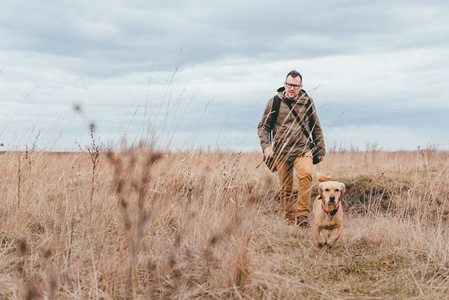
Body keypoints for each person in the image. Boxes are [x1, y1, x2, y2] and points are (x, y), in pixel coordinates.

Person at [257, 70, 325, 227]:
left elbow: (316, 126)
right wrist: (266, 147)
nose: (292, 88)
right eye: (289, 85)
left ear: (301, 86)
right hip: (281, 152)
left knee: (306, 176)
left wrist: (320, 148)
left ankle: (302, 218)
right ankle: (288, 219)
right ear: (284, 84)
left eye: (295, 86)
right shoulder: (274, 102)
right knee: (285, 188)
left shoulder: (307, 101)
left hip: (303, 149)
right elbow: (263, 127)